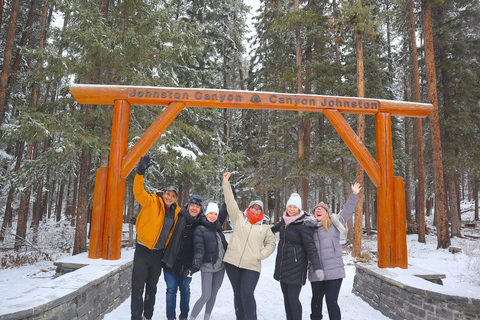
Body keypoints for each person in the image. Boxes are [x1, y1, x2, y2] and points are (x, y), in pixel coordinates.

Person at [131, 155, 181, 320]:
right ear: (163, 193)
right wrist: (140, 173)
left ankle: (148, 316)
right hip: (143, 250)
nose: (169, 197)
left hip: (158, 254)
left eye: (173, 196)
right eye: (168, 194)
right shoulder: (151, 201)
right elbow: (138, 192)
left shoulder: (176, 212)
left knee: (152, 287)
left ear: (176, 199)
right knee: (138, 287)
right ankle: (136, 317)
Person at [222, 172, 276, 320]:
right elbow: (230, 201)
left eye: (259, 209)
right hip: (232, 262)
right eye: (254, 208)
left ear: (261, 212)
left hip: (252, 265)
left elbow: (271, 243)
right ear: (250, 208)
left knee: (247, 293)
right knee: (237, 294)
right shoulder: (239, 217)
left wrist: (261, 255)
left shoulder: (265, 227)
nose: (256, 210)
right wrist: (226, 184)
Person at [308, 182, 362, 320]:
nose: (319, 210)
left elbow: (347, 210)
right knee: (316, 302)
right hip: (316, 271)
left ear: (326, 212)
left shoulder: (334, 224)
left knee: (331, 302)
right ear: (314, 213)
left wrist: (354, 195)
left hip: (334, 271)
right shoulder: (309, 229)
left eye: (322, 209)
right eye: (316, 209)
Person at [271, 193, 324, 320]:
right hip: (283, 265)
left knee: (293, 298)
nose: (291, 209)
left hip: (296, 266)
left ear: (299, 209)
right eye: (290, 206)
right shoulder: (284, 221)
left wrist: (318, 267)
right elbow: (273, 229)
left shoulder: (303, 224)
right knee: (286, 298)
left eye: (295, 207)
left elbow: (311, 247)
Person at [162, 194, 205, 320]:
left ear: (201, 209)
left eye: (197, 206)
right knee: (171, 290)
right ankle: (171, 317)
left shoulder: (201, 224)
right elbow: (160, 223)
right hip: (171, 260)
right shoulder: (178, 215)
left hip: (187, 265)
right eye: (192, 205)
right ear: (188, 205)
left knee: (185, 290)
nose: (194, 208)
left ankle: (184, 316)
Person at [188, 202, 228, 320]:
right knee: (206, 295)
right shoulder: (200, 229)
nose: (213, 216)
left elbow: (224, 248)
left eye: (215, 214)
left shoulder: (218, 231)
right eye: (211, 213)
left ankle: (207, 317)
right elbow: (199, 248)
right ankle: (192, 317)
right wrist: (195, 265)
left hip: (221, 267)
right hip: (207, 267)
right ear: (206, 214)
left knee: (213, 295)